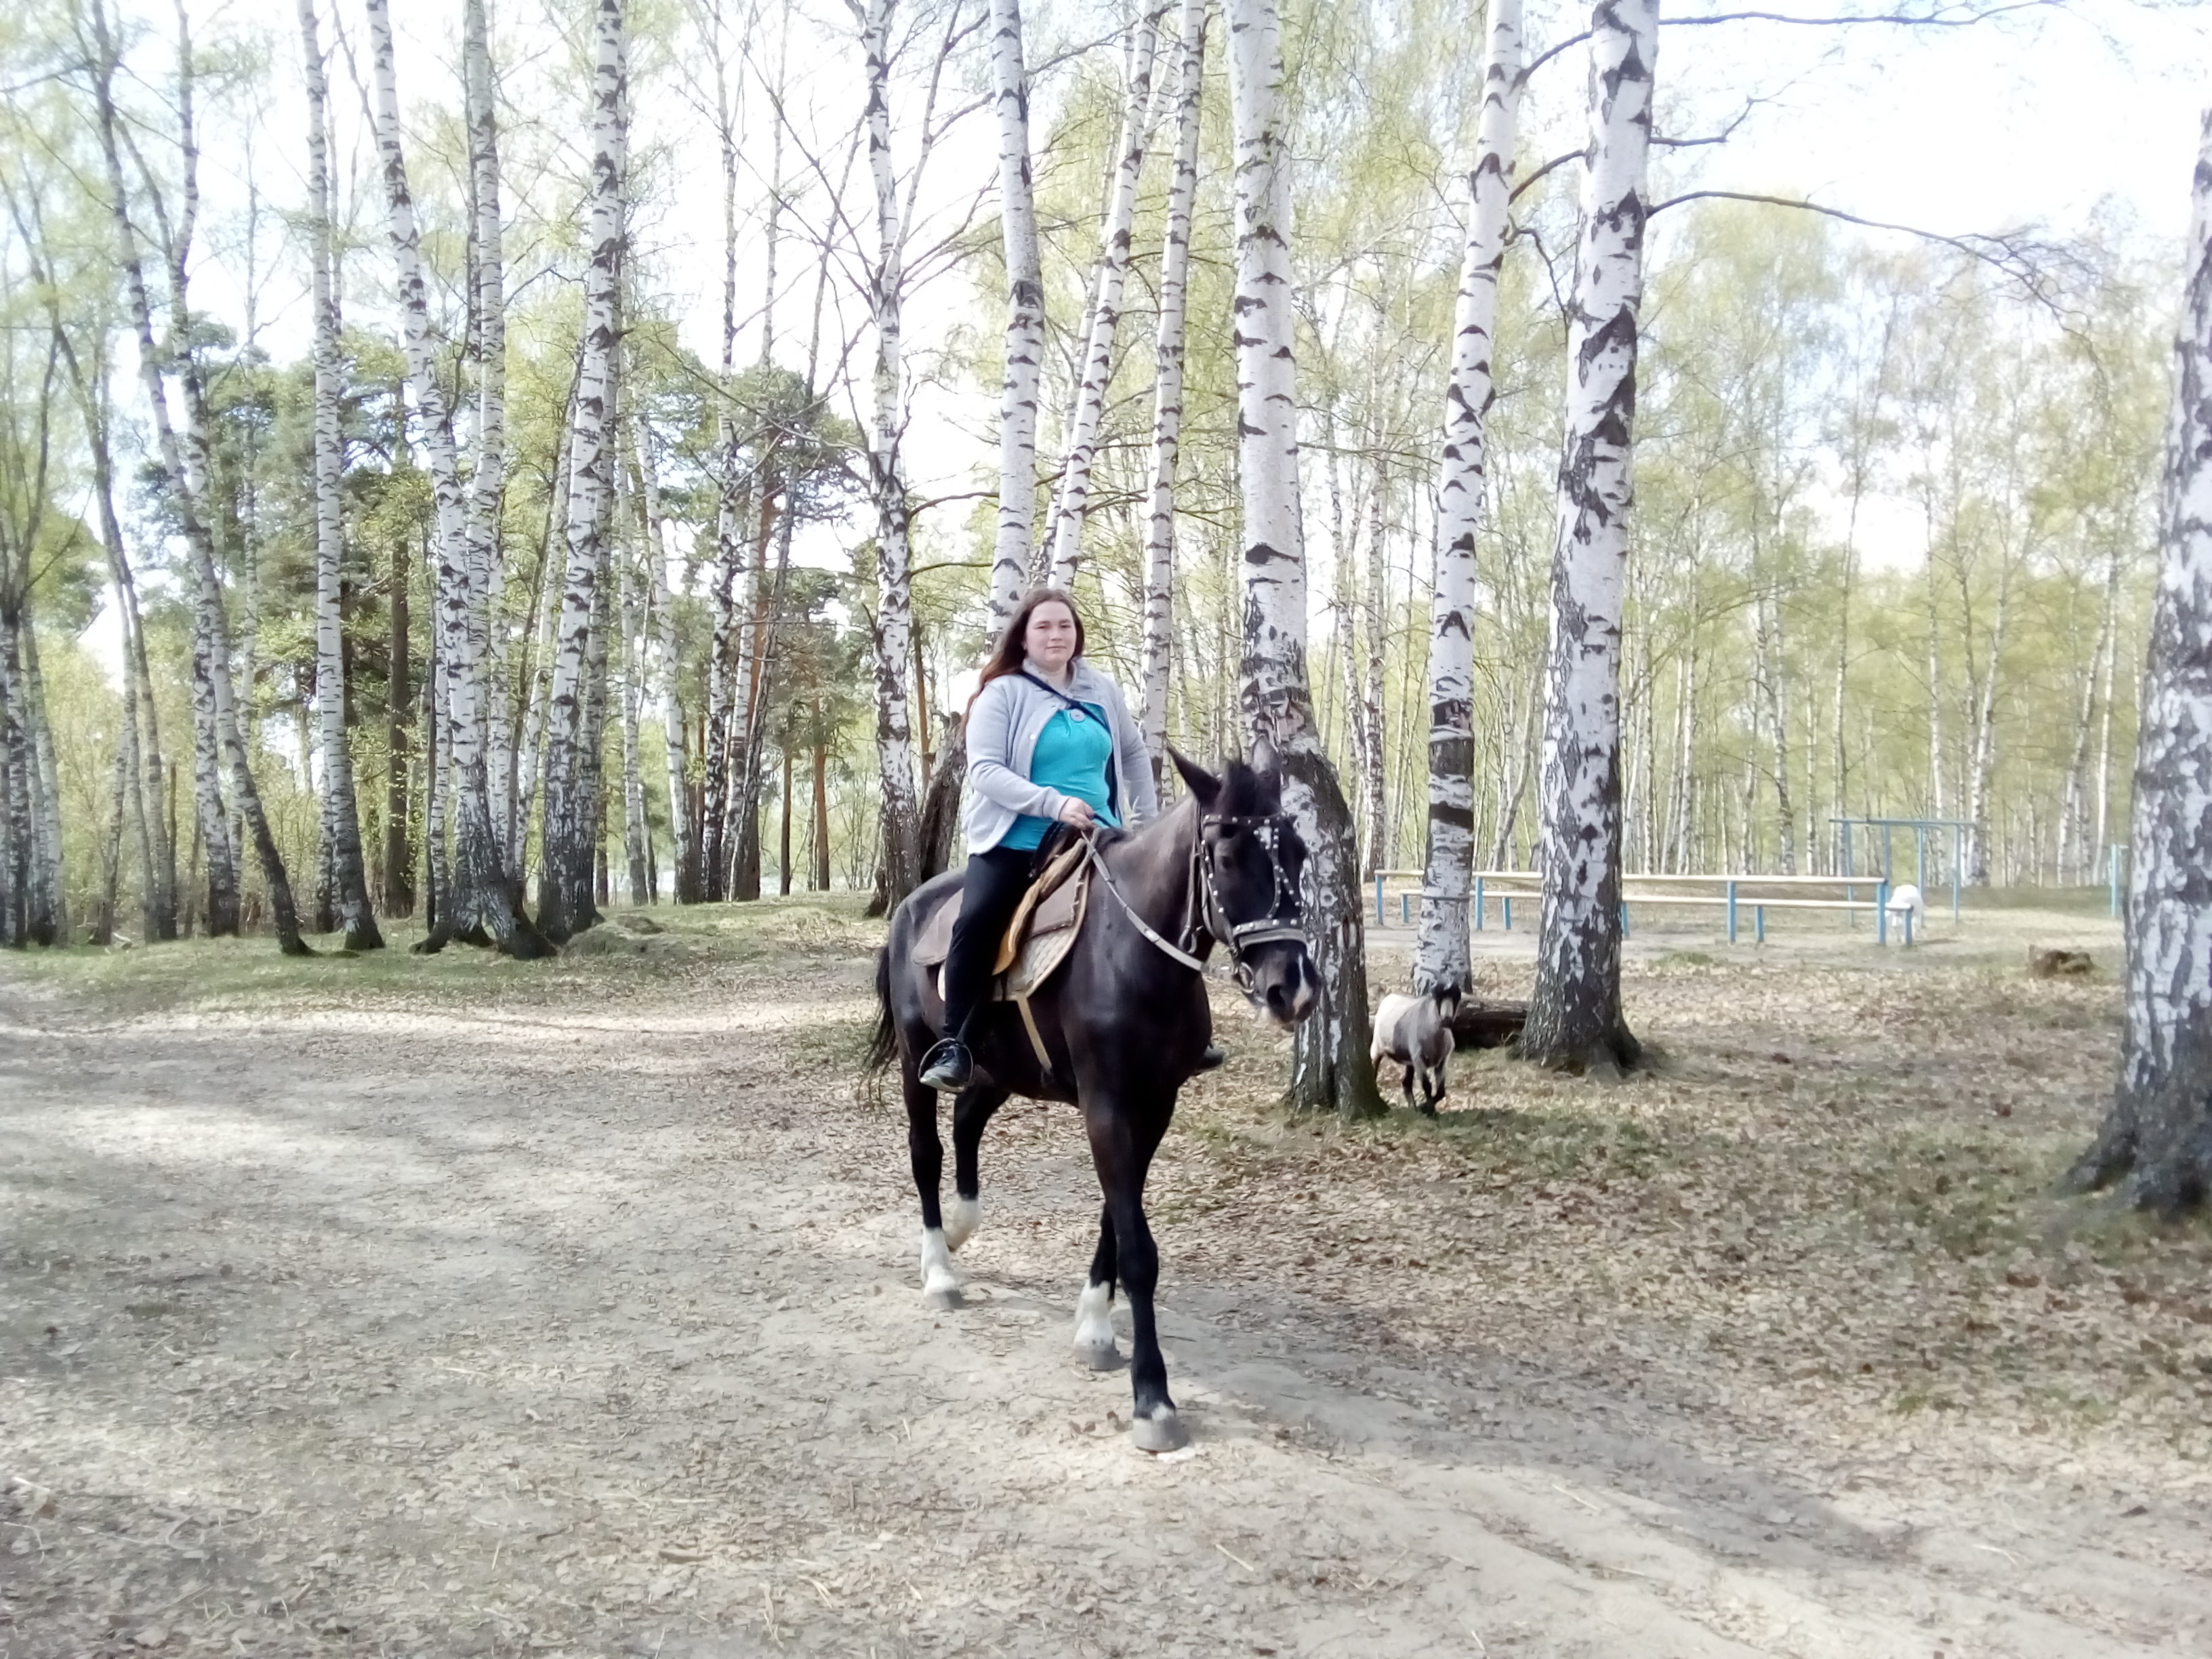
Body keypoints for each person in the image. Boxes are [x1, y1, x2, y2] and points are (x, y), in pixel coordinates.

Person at [920, 590, 1158, 1092]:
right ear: (1023, 638)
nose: (1056, 635)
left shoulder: (1102, 689)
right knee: (978, 920)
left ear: (1078, 635)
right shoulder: (1002, 693)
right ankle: (955, 1044)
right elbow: (985, 771)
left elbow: (1135, 755)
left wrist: (1148, 826)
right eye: (1044, 627)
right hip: (1017, 841)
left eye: (1065, 626)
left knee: (1159, 908)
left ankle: (1179, 1031)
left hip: (1100, 837)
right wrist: (1053, 804)